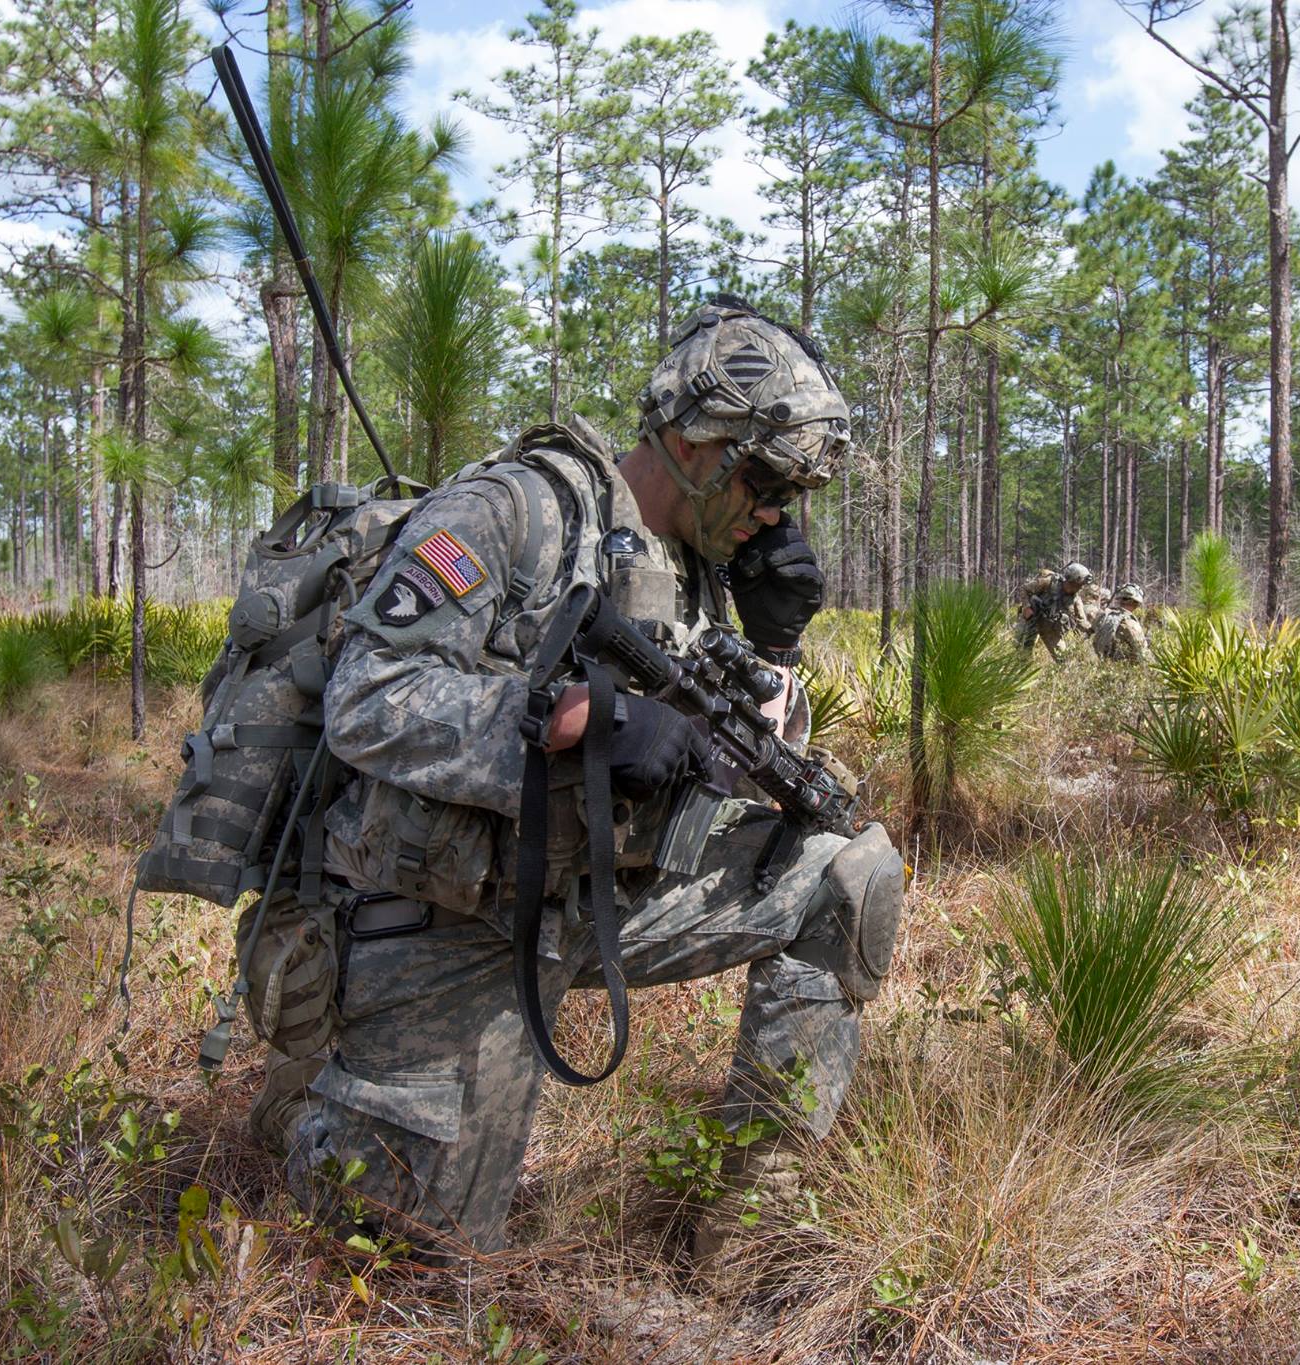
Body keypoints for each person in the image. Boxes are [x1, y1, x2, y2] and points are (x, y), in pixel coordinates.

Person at [250, 298, 905, 1265]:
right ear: (695, 438)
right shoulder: (517, 511)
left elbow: (731, 756)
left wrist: (773, 648)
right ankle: (315, 1090)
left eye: (792, 497)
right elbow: (367, 697)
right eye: (767, 481)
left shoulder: (697, 568)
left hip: (588, 894)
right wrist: (562, 721)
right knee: (412, 1270)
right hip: (447, 917)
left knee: (847, 876)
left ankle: (751, 1231)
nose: (776, 513)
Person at [1013, 561, 1103, 661]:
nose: (1080, 588)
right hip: (1031, 621)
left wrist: (1093, 629)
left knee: (1064, 660)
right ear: (1071, 580)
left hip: (1050, 629)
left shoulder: (1075, 599)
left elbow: (1081, 621)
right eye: (1079, 584)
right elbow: (1024, 589)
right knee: (1022, 656)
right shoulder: (1048, 582)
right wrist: (1026, 607)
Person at [1091, 583, 1149, 664]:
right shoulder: (1130, 623)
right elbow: (1143, 654)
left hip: (1102, 664)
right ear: (1135, 602)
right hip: (1124, 669)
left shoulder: (1104, 616)